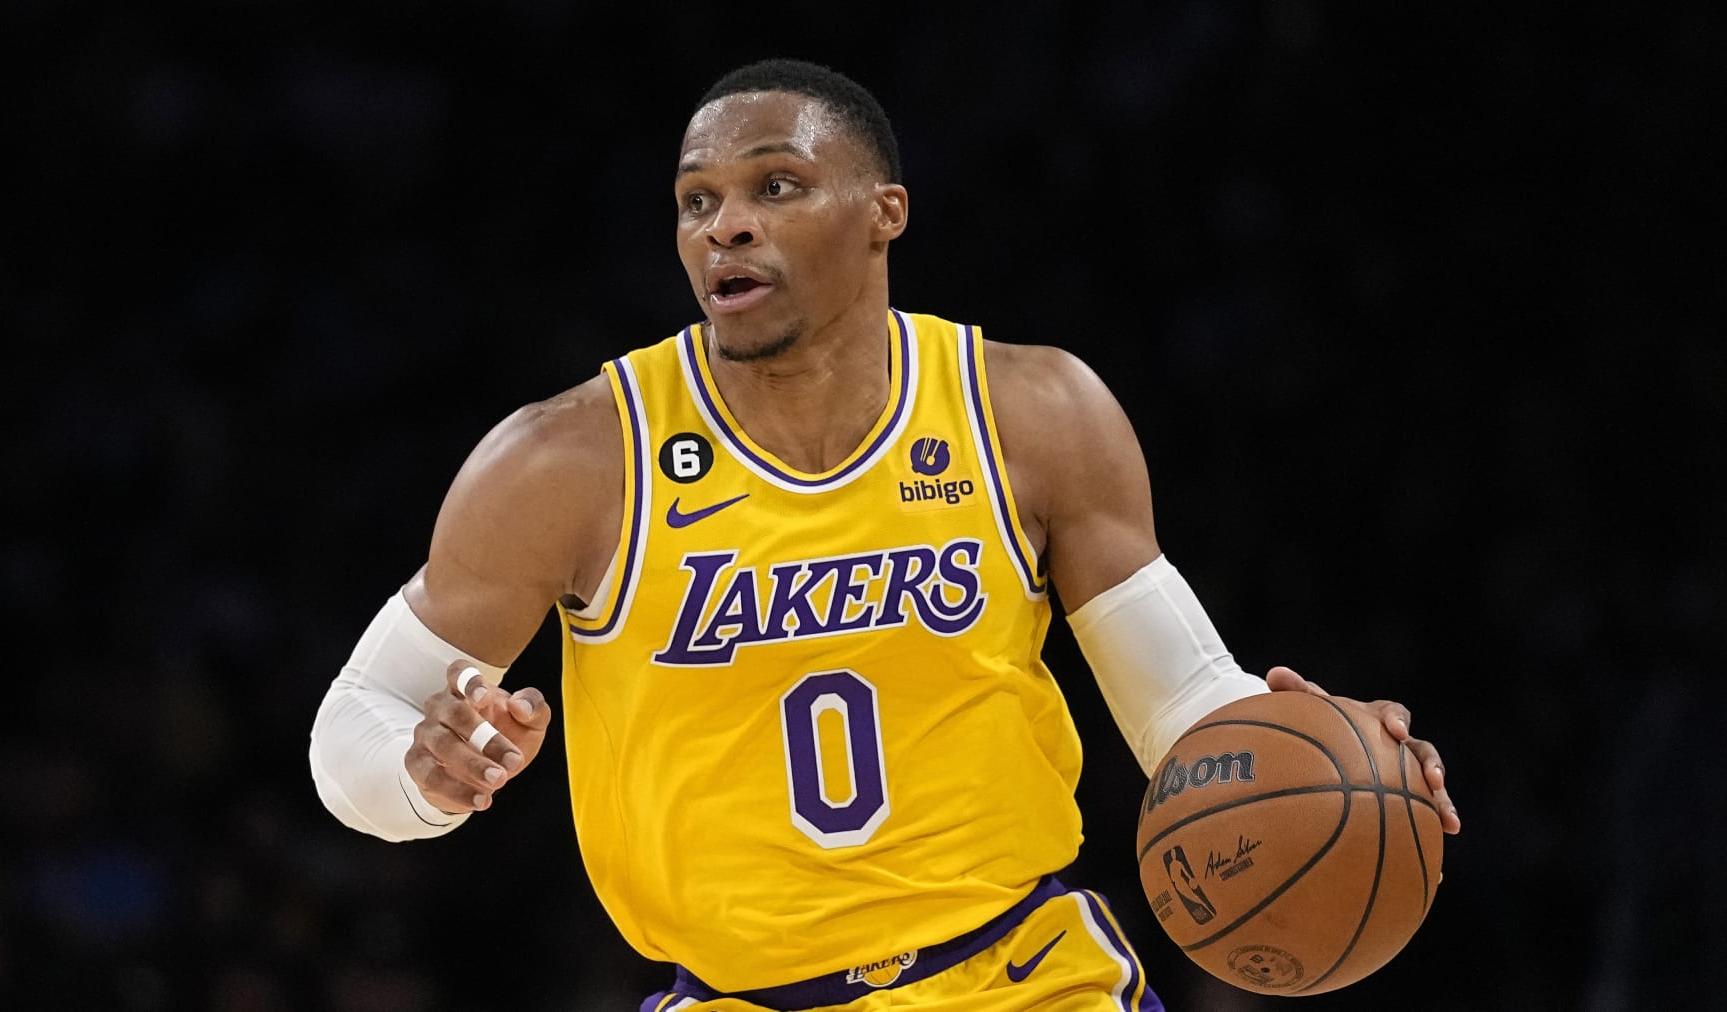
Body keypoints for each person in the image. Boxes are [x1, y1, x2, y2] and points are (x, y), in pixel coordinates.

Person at [308, 56, 1460, 1011]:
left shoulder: (1035, 409)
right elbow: (352, 725)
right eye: (697, 202)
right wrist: (424, 775)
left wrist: (1323, 743)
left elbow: (1179, 706)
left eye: (777, 186)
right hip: (741, 996)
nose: (728, 227)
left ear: (884, 213)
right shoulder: (571, 458)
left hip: (1026, 977)